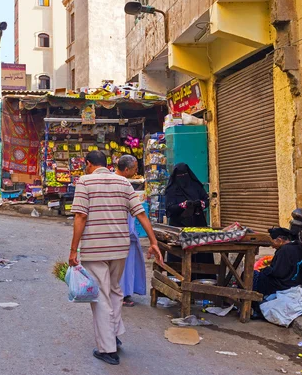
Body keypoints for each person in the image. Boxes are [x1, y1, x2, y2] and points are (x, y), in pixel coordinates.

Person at [69, 151, 163, 366]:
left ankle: (107, 348)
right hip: (120, 248)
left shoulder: (85, 181)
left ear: (89, 164)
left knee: (100, 296)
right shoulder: (123, 183)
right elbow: (140, 213)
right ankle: (114, 334)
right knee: (115, 291)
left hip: (95, 248)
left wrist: (73, 249)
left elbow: (81, 216)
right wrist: (154, 241)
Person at [165, 163, 213, 279]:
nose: (183, 178)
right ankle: (179, 279)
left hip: (198, 224)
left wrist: (200, 204)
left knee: (201, 252)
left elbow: (205, 200)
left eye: (185, 175)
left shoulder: (196, 186)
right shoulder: (171, 190)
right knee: (179, 254)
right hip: (179, 226)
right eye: (180, 175)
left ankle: (203, 279)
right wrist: (182, 205)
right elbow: (170, 208)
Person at [115, 155, 146, 307]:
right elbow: (139, 213)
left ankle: (122, 293)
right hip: (125, 232)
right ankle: (121, 294)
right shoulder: (124, 186)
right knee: (123, 266)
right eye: (134, 169)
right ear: (126, 169)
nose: (136, 171)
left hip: (123, 232)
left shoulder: (121, 183)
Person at [254, 227, 302, 297]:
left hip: (283, 284)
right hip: (291, 281)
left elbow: (278, 273)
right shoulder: (296, 246)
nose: (272, 246)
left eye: (272, 242)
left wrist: (265, 269)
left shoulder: (284, 250)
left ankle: (252, 302)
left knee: (252, 276)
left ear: (279, 240)